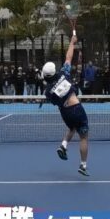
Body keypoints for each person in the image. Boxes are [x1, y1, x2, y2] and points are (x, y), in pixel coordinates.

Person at [43, 35, 90, 177]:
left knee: (72, 127)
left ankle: (63, 145)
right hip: (76, 108)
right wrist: (72, 42)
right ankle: (83, 165)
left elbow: (56, 102)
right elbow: (69, 57)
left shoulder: (47, 92)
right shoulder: (63, 73)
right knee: (83, 137)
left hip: (65, 112)